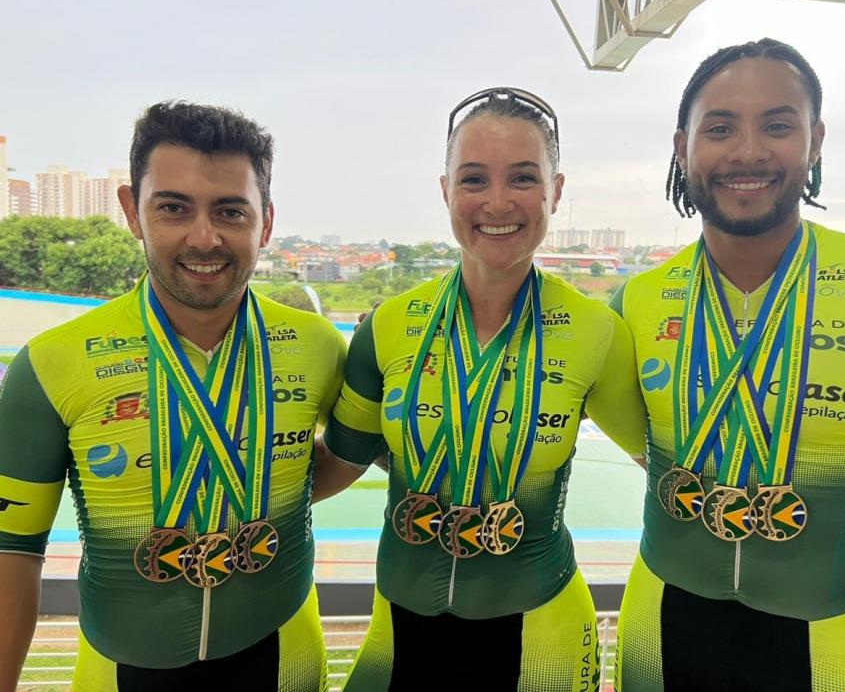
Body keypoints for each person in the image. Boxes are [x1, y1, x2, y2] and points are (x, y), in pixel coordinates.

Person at [610, 38, 845, 692]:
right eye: (719, 127)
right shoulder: (636, 302)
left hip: (821, 645)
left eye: (776, 125)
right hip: (657, 633)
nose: (747, 151)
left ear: (813, 142)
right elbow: (646, 445)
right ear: (682, 148)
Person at [0, 101, 345, 691]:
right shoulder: (52, 364)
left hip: (286, 660)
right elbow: (12, 551)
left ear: (265, 222)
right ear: (133, 212)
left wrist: (272, 492)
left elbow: (367, 451)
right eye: (174, 208)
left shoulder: (320, 347)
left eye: (231, 210)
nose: (204, 237)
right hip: (119, 671)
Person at [316, 87, 647, 691]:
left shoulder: (599, 332)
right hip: (401, 630)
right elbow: (333, 466)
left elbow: (666, 458)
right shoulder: (387, 327)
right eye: (473, 179)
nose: (498, 202)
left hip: (541, 635)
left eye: (523, 177)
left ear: (557, 190)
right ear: (445, 190)